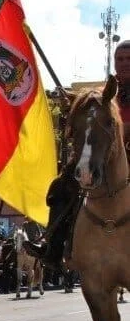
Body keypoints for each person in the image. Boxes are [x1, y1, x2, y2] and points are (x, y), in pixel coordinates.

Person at [25, 40, 130, 269]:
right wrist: (72, 104)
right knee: (62, 185)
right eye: (119, 59)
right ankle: (53, 246)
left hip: (127, 152)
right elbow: (88, 120)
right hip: (101, 152)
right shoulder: (104, 94)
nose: (123, 64)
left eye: (128, 59)